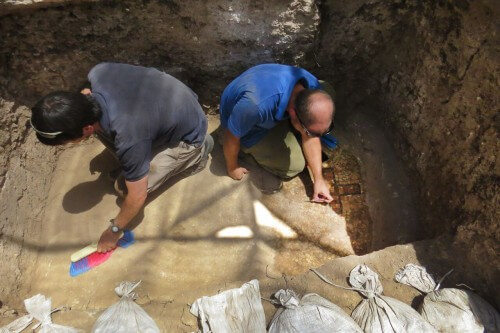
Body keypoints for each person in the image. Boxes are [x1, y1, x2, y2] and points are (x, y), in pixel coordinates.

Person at [30, 63, 213, 253]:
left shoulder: (128, 134)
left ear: (85, 128)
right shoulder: (97, 72)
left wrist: (114, 230)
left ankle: (198, 155)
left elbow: (137, 196)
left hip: (188, 134)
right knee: (119, 148)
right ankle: (144, 154)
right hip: (166, 107)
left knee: (124, 189)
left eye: (66, 142)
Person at [219, 63, 334, 202]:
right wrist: (232, 168)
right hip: (245, 124)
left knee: (328, 91)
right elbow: (231, 136)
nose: (317, 140)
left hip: (271, 100)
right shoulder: (253, 107)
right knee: (294, 167)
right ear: (293, 114)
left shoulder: (312, 84)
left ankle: (302, 128)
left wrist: (319, 179)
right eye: (309, 132)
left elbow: (310, 137)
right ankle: (246, 150)